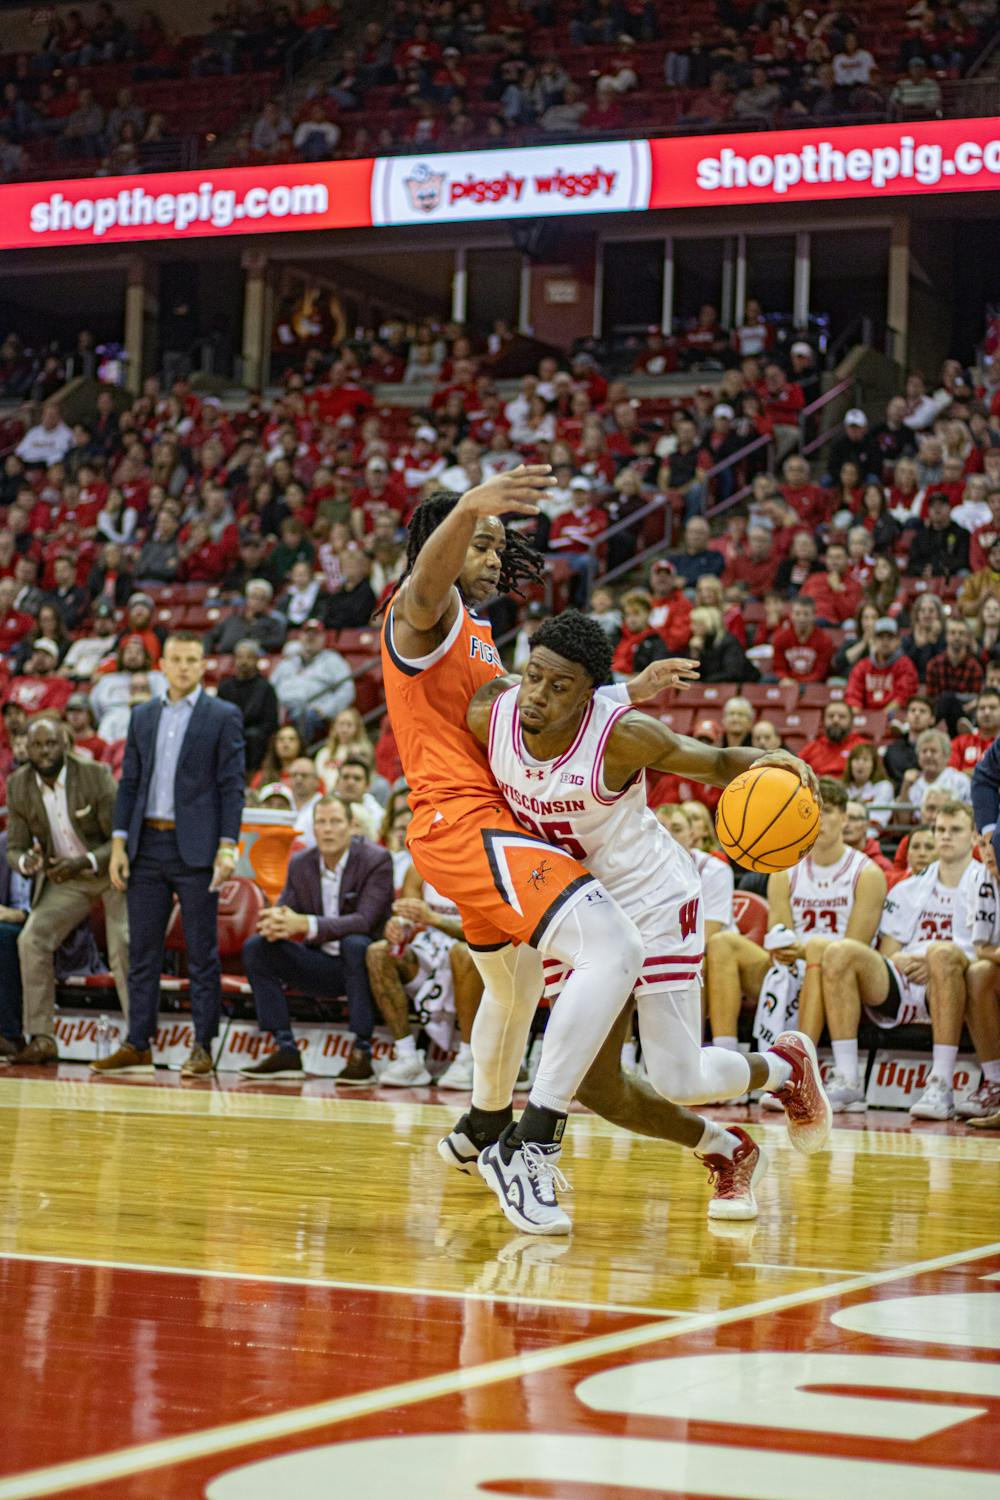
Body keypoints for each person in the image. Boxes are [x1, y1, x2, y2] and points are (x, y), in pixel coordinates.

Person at [381, 470, 703, 1234]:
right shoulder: (421, 616)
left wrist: (625, 694)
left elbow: (536, 714)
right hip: (463, 824)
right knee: (613, 946)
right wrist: (468, 507)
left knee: (515, 988)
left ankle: (485, 1122)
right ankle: (530, 1145)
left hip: (485, 826)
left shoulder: (479, 633)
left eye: (498, 545)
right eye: (479, 544)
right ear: (441, 545)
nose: (494, 556)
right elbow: (424, 584)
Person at [467, 610, 830, 1221]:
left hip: (652, 897)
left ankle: (784, 1067)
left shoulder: (622, 737)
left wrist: (776, 759)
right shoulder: (491, 713)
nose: (538, 696)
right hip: (575, 905)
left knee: (679, 1078)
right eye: (533, 677)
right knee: (597, 1086)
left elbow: (717, 763)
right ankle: (727, 1150)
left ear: (590, 696)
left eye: (560, 687)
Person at [95, 632, 246, 1078]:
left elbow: (232, 788)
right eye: (176, 659)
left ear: (203, 665)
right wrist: (119, 844)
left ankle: (202, 1045)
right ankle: (138, 1043)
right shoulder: (141, 716)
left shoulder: (223, 715)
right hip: (146, 846)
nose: (183, 667)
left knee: (201, 953)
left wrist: (228, 847)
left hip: (198, 848)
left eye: (191, 660)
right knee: (141, 951)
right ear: (162, 665)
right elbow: (129, 784)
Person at [708, 779, 886, 1091]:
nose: (820, 820)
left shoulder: (867, 873)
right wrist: (784, 945)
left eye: (827, 811)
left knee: (821, 950)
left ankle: (799, 1072)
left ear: (845, 818)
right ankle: (728, 1068)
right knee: (722, 944)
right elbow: (780, 934)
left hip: (838, 976)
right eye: (812, 812)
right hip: (793, 968)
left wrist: (803, 950)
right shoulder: (784, 870)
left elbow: (854, 947)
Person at [813, 802, 979, 1116]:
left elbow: (985, 950)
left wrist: (934, 962)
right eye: (940, 830)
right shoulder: (907, 888)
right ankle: (847, 1079)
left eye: (955, 830)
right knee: (839, 952)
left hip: (955, 979)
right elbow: (888, 952)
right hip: (905, 979)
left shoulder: (987, 885)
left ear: (974, 836)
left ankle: (941, 1084)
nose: (945, 836)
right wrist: (901, 960)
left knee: (942, 955)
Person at [238, 794, 393, 1082]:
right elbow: (286, 909)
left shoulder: (376, 860)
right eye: (321, 822)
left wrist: (306, 924)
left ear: (352, 826)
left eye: (335, 821)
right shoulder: (301, 863)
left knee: (355, 943)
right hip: (320, 963)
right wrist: (274, 922)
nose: (327, 829)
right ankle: (284, 1048)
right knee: (258, 948)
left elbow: (365, 921)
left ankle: (362, 1051)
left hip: (365, 969)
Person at [6, 717, 130, 1065]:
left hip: (110, 871)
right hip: (67, 879)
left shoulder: (95, 774)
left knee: (123, 944)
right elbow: (14, 847)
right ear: (27, 750)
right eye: (37, 745)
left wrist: (84, 861)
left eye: (51, 744)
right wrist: (26, 862)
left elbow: (120, 837)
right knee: (32, 939)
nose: (45, 752)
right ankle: (41, 1037)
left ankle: (138, 1039)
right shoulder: (18, 784)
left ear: (65, 745)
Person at [365, 864, 483, 1090]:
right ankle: (407, 1057)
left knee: (463, 953)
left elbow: (485, 932)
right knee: (378, 952)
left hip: (480, 958)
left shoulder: (486, 864)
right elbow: (406, 919)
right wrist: (398, 927)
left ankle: (468, 1057)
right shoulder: (419, 867)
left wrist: (435, 919)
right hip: (430, 950)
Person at [269, 618, 355, 744]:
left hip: (312, 712)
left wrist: (326, 710)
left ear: (323, 638)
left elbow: (347, 690)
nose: (310, 637)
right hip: (283, 709)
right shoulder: (287, 662)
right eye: (307, 633)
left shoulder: (333, 660)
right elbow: (270, 687)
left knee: (303, 717)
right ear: (300, 636)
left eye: (316, 634)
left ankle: (300, 753)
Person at [216, 639, 279, 775]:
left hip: (255, 738)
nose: (244, 662)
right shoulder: (225, 686)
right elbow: (217, 716)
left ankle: (251, 776)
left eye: (249, 657)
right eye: (240, 657)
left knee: (253, 737)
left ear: (257, 660)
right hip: (229, 732)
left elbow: (270, 722)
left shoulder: (266, 688)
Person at [845, 617, 920, 715]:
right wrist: (858, 717)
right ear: (874, 640)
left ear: (898, 641)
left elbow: (903, 697)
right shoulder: (863, 666)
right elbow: (853, 694)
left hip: (894, 717)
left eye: (890, 637)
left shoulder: (905, 665)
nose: (885, 641)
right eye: (881, 637)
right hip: (865, 716)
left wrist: (880, 718)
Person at [205, 579, 288, 655]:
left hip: (254, 658)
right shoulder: (232, 619)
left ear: (267, 602)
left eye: (262, 599)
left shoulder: (272, 622)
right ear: (247, 598)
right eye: (254, 597)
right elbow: (210, 635)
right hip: (226, 658)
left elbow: (279, 640)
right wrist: (206, 654)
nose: (257, 602)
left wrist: (258, 642)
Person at [903, 728, 971, 811]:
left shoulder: (960, 781)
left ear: (946, 756)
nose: (928, 755)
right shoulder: (914, 784)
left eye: (933, 751)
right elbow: (904, 818)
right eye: (924, 751)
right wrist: (905, 786)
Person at [770, 595, 834, 684]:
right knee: (767, 680)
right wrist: (785, 679)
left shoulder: (825, 641)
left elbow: (820, 672)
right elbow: (778, 667)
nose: (801, 618)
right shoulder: (780, 638)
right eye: (797, 614)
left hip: (812, 684)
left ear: (814, 615)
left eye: (806, 614)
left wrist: (798, 683)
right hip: (787, 682)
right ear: (791, 615)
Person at [799, 699, 868, 778]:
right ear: (823, 721)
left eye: (842, 716)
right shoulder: (811, 749)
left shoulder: (862, 747)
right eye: (831, 716)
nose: (835, 720)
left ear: (851, 721)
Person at [843, 741, 895, 833]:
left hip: (873, 838)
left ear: (874, 765)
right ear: (850, 764)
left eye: (865, 760)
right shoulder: (843, 788)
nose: (860, 764)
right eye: (856, 759)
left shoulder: (884, 787)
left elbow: (878, 822)